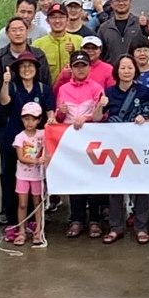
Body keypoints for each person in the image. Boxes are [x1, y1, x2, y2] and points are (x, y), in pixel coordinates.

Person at [102, 55, 149, 244]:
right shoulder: (109, 92)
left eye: (130, 68)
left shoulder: (145, 91)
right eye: (122, 68)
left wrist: (146, 119)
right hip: (116, 147)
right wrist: (99, 105)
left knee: (140, 186)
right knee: (115, 187)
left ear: (135, 70)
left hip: (138, 146)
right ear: (116, 71)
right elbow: (98, 118)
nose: (126, 71)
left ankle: (141, 227)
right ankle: (116, 227)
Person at [54, 51, 109, 238]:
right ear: (71, 68)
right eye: (76, 66)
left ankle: (94, 220)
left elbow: (100, 116)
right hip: (70, 142)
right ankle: (76, 219)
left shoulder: (96, 88)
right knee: (74, 179)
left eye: (83, 65)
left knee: (92, 179)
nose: (80, 69)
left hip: (92, 139)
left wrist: (84, 119)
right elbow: (59, 117)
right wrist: (60, 112)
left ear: (88, 67)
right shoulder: (63, 89)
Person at [0, 51, 51, 227]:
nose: (27, 69)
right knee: (11, 180)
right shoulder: (12, 87)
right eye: (23, 66)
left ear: (36, 68)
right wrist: (4, 83)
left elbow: (50, 114)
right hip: (14, 141)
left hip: (37, 144)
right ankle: (13, 221)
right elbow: (4, 101)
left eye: (30, 66)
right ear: (17, 70)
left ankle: (34, 221)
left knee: (36, 184)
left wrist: (52, 120)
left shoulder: (43, 89)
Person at [5, 103, 50, 247]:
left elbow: (52, 129)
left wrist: (52, 121)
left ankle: (38, 230)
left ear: (38, 120)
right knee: (22, 204)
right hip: (23, 176)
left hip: (38, 176)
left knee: (37, 203)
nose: (29, 122)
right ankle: (22, 231)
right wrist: (37, 160)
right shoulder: (20, 137)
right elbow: (21, 158)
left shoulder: (43, 134)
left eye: (33, 119)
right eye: (26, 119)